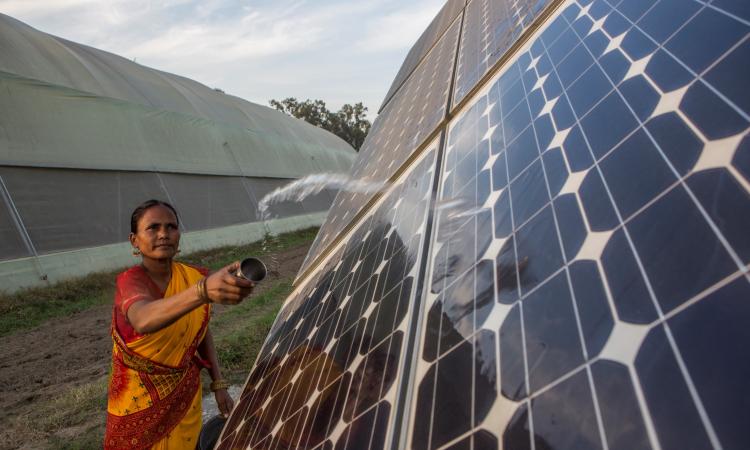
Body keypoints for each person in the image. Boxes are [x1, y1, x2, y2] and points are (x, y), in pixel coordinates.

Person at [104, 199, 255, 449]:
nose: (164, 234)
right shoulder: (130, 282)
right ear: (134, 240)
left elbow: (200, 331)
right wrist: (202, 291)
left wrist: (218, 384)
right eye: (153, 228)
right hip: (136, 404)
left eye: (171, 227)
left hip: (184, 394)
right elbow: (142, 319)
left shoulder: (192, 276)